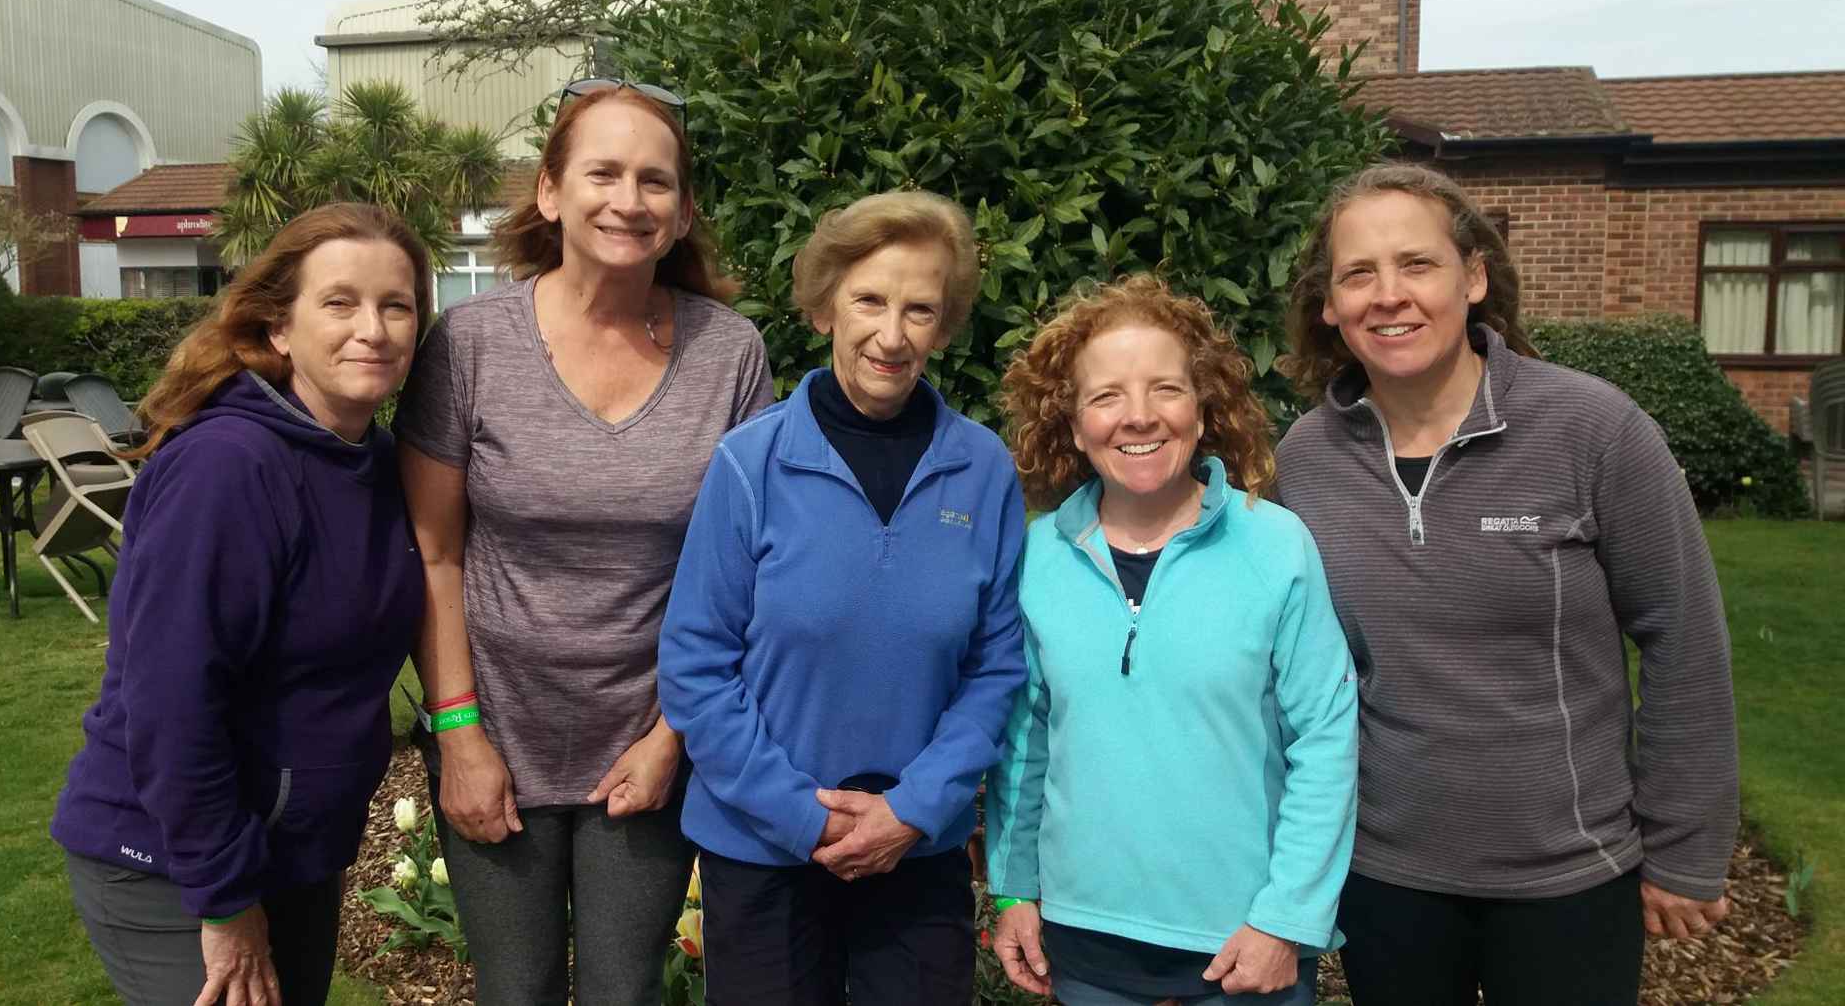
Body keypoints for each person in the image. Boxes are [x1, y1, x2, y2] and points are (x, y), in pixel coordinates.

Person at [1273, 162, 1739, 1006]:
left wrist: (1685, 845)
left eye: (1417, 264)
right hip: (1386, 876)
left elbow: (1683, 632)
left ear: (1474, 277)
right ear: (1330, 307)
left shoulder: (1592, 429)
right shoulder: (1304, 460)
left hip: (1569, 877)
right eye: (1358, 274)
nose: (1389, 295)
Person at [395, 79, 773, 1005]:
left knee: (623, 990)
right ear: (552, 191)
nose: (628, 199)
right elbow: (433, 553)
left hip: (643, 740)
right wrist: (460, 736)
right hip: (497, 732)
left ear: (683, 213)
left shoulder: (731, 354)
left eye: (655, 180)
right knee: (513, 992)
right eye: (603, 171)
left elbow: (746, 573)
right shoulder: (471, 343)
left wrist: (674, 737)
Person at [51, 202, 433, 1006]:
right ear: (279, 329)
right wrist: (224, 897)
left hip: (292, 853)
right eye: (339, 302)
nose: (373, 327)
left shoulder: (372, 459)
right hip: (170, 859)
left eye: (396, 305)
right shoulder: (227, 468)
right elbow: (169, 700)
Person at [658, 190, 1027, 1006]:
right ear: (825, 307)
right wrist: (804, 815)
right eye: (869, 299)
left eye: (920, 308)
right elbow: (695, 665)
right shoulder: (751, 464)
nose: (892, 335)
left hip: (915, 848)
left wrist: (915, 808)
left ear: (946, 322)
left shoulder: (983, 468)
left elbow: (998, 668)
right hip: (762, 852)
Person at [984, 274, 1358, 1006]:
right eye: (1106, 396)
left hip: (1244, 945)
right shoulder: (1039, 559)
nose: (1139, 416)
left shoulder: (1275, 546)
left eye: (1165, 388)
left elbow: (1326, 737)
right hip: (1083, 943)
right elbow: (1023, 742)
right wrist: (1011, 891)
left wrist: (1287, 917)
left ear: (1202, 403)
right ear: (1071, 419)